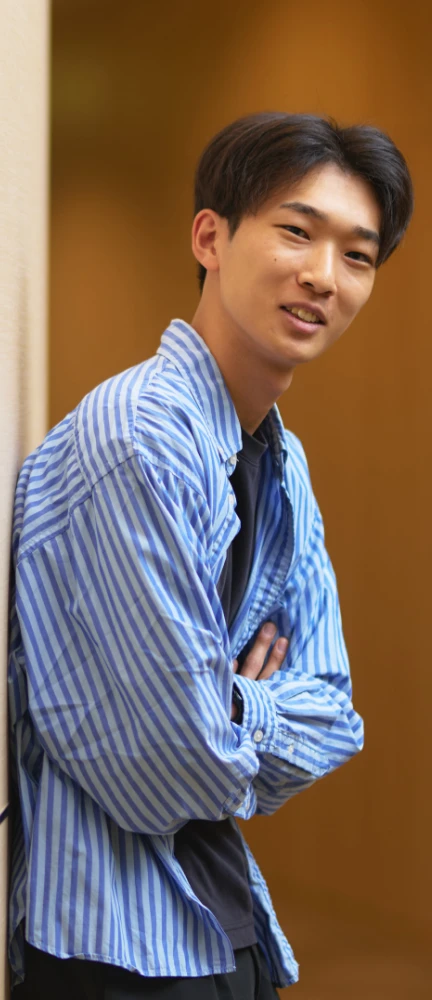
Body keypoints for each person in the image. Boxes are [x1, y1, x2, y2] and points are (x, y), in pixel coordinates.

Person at [8, 111, 413, 998]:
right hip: (115, 950)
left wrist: (223, 703)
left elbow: (336, 714)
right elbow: (167, 773)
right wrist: (246, 705)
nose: (324, 275)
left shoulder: (278, 457)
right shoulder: (139, 440)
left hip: (221, 924)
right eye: (297, 231)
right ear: (211, 238)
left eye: (357, 255)